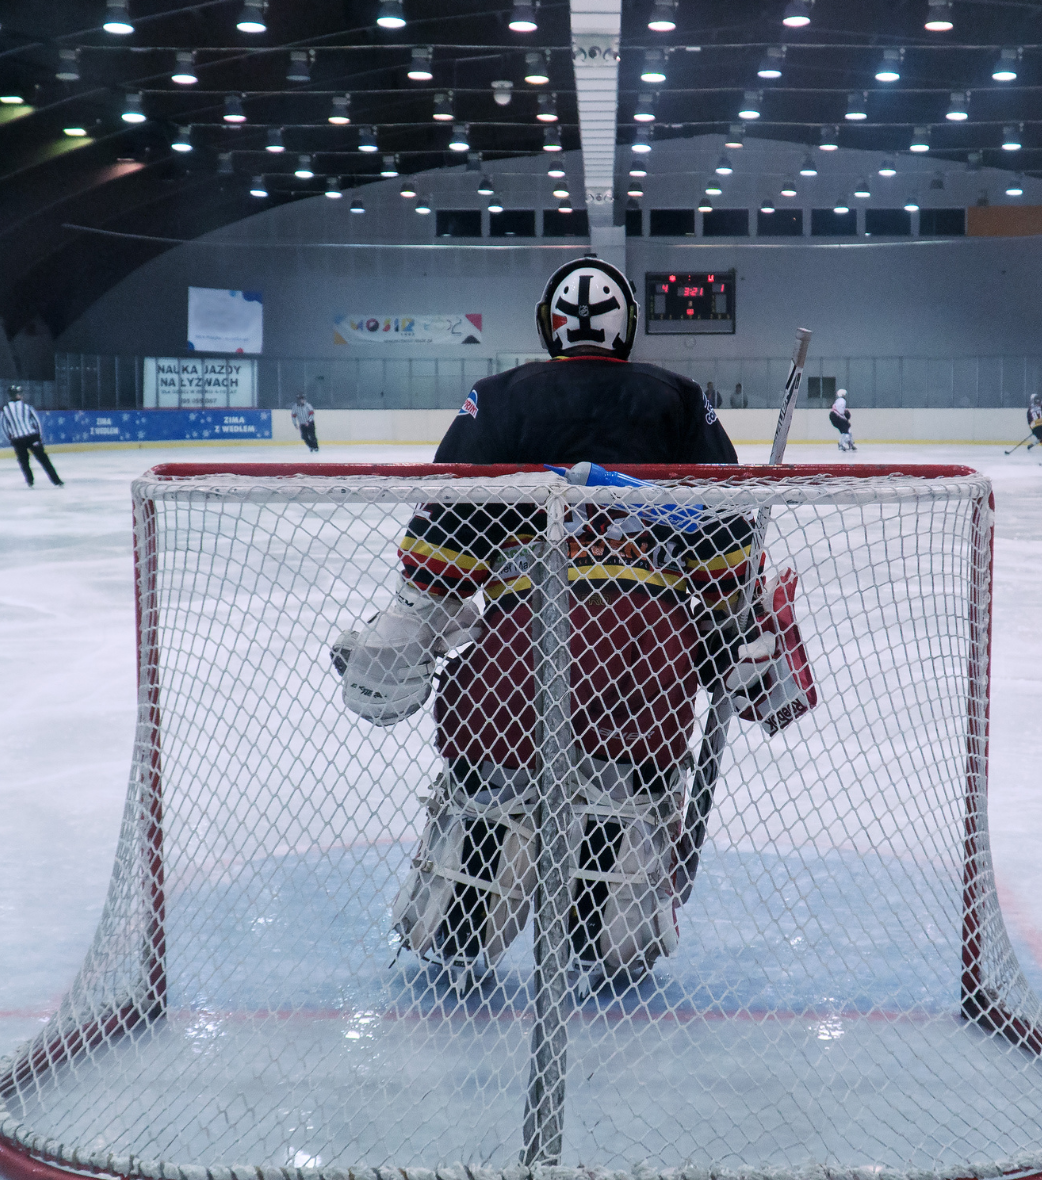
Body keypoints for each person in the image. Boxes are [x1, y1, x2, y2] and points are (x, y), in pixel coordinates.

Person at [335, 257, 781, 987]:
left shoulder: (497, 398)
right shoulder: (681, 399)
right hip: (646, 650)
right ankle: (605, 940)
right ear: (627, 329)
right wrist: (747, 635)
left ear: (549, 325)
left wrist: (398, 641)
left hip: (519, 643)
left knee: (489, 802)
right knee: (622, 805)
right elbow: (727, 553)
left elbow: (443, 551)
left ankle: (459, 936)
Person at [0, 385, 63, 487]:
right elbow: (36, 423)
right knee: (44, 460)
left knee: (24, 462)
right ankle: (57, 481)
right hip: (31, 437)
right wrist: (39, 437)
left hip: (17, 439)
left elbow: (4, 427)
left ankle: (30, 481)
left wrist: (11, 439)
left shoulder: (5, 410)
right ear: (19, 395)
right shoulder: (27, 407)